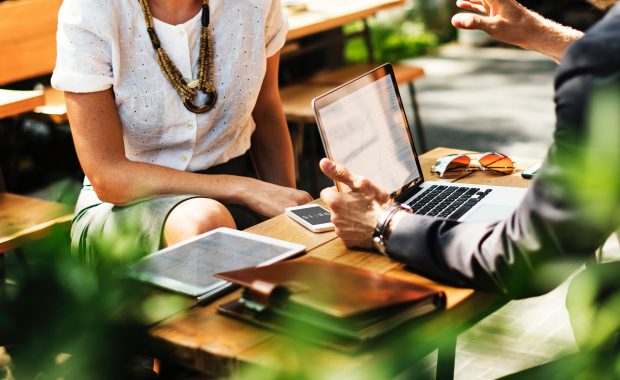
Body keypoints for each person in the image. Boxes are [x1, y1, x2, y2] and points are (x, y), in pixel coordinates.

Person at [320, 0, 620, 297]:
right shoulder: (603, 54)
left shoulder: (599, 63)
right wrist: (539, 34)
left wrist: (384, 223)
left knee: (591, 297)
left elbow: (523, 258)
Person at [51, 0, 312, 264]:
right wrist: (243, 188)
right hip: (126, 206)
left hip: (241, 198)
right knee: (207, 223)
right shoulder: (91, 10)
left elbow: (266, 110)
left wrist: (286, 211)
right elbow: (108, 177)